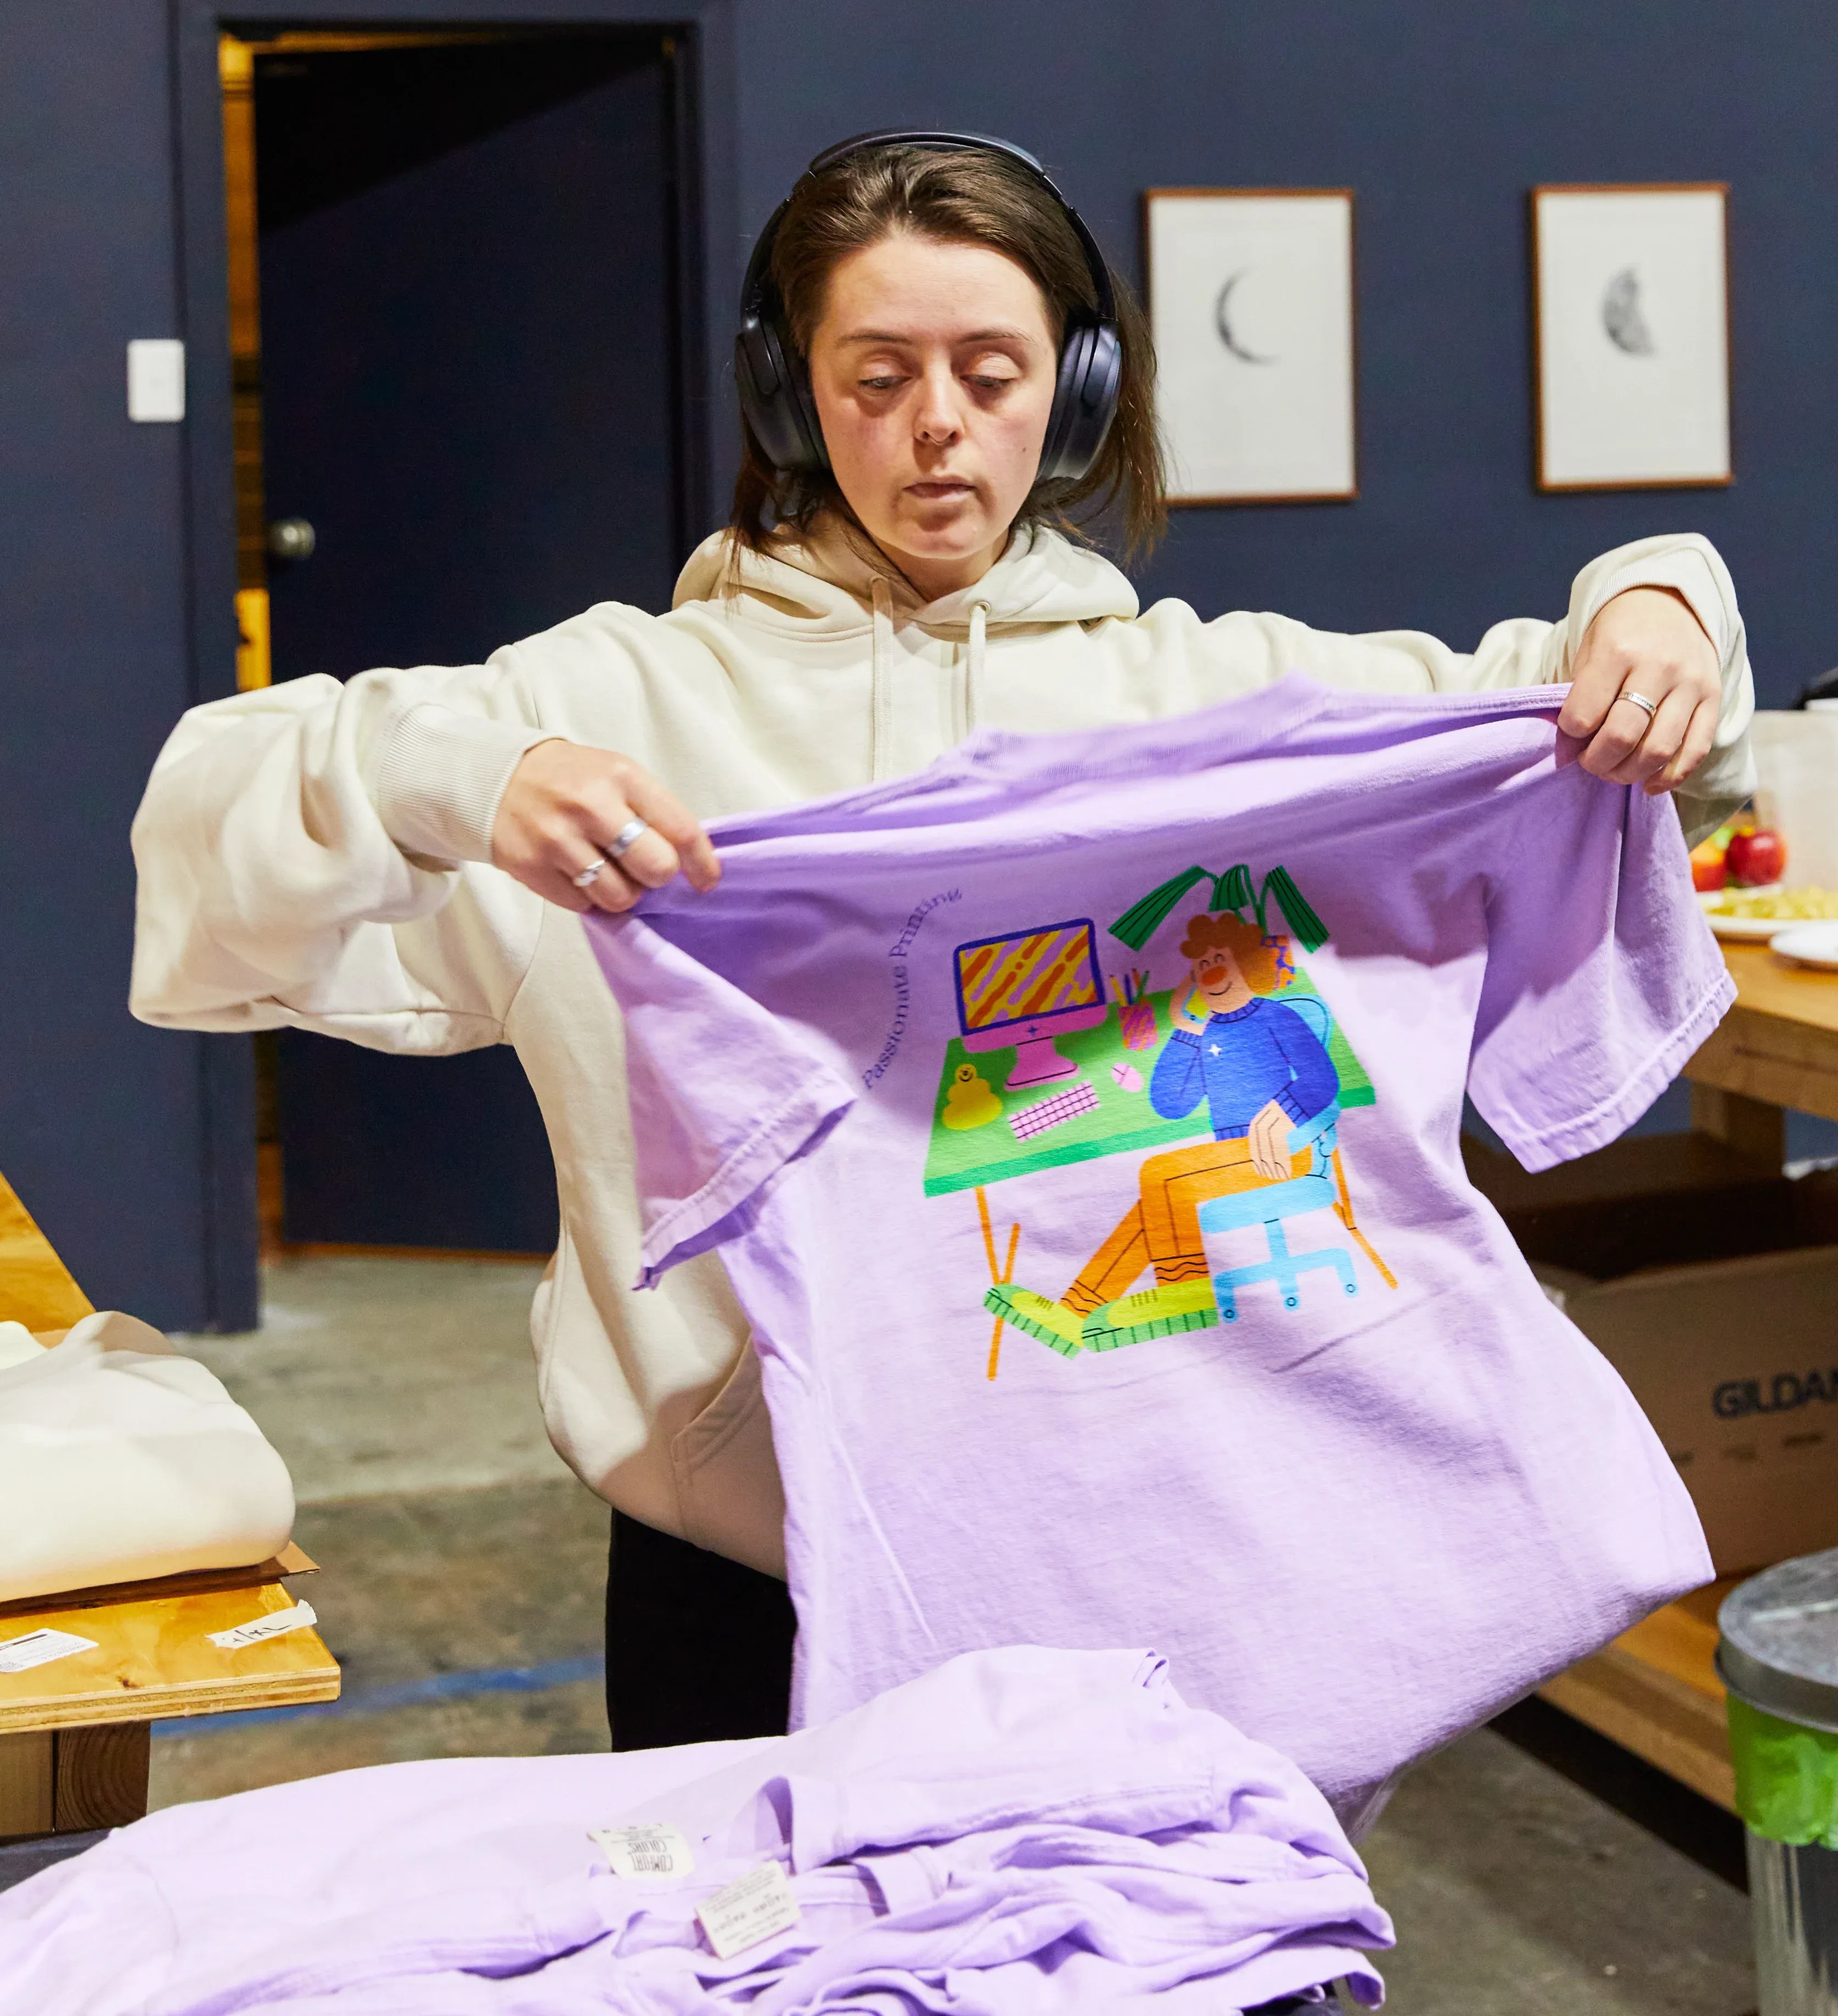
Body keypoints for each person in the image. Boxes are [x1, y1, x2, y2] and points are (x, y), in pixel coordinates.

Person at [129, 131, 1756, 1751]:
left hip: (1176, 1543)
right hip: (754, 1580)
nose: (938, 429)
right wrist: (461, 776)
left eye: (992, 370)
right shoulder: (614, 710)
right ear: (788, 395)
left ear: (1079, 389)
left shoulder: (1208, 704)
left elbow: (1576, 714)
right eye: (876, 374)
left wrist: (1662, 603)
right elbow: (209, 836)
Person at [987, 908, 1344, 1355]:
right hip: (1232, 1158)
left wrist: (1281, 1113)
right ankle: (1075, 1314)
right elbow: (1171, 1104)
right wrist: (1184, 1030)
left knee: (1161, 1172)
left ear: (1247, 964)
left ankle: (1182, 1297)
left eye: (1220, 959)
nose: (1210, 972)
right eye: (1200, 966)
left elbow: (1322, 1081)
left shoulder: (1275, 1017)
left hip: (1287, 1152)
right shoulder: (1208, 1031)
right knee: (1157, 1200)